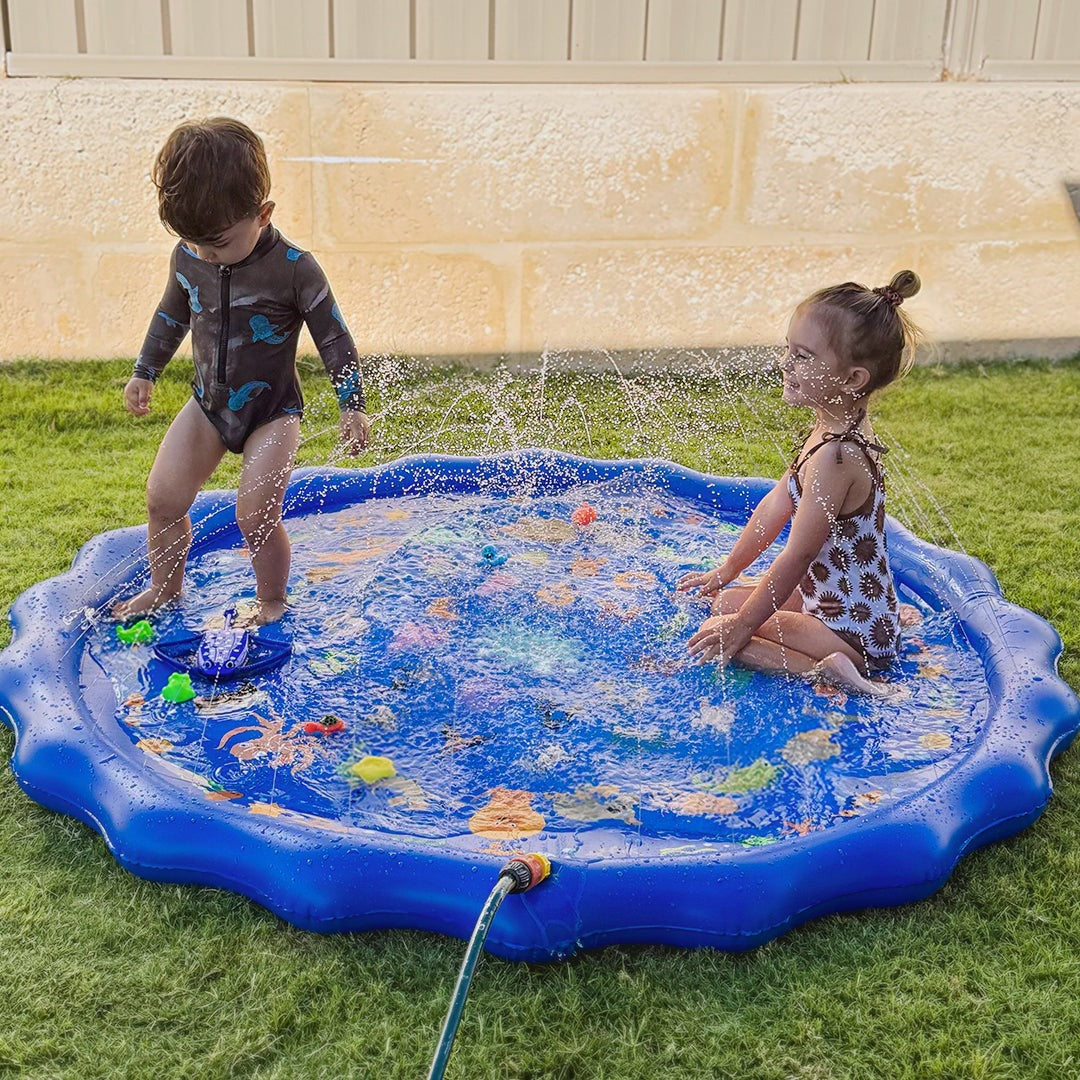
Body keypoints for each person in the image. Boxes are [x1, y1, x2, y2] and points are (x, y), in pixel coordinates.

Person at [113, 117, 371, 625]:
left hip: (272, 413)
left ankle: (272, 599)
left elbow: (333, 336)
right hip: (208, 405)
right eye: (194, 243)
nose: (207, 254)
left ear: (263, 214)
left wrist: (352, 403)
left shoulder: (295, 268)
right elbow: (171, 314)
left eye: (219, 243)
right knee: (163, 498)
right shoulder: (189, 257)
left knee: (254, 516)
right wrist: (146, 370)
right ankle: (164, 591)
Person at [677, 270, 922, 695]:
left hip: (852, 632)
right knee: (724, 602)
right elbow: (776, 504)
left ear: (852, 379)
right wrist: (729, 569)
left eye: (803, 356)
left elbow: (798, 553)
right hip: (832, 605)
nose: (785, 365)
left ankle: (833, 673)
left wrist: (742, 629)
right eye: (787, 350)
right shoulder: (827, 428)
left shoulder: (837, 456)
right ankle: (829, 655)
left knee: (723, 629)